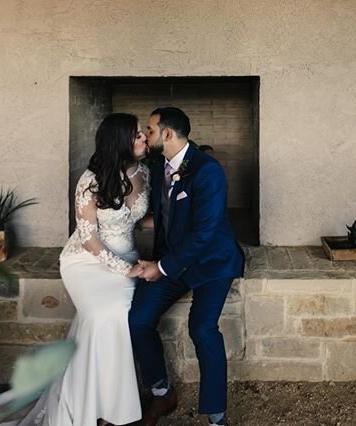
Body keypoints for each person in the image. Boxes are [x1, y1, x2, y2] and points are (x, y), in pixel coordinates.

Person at [17, 112, 150, 426]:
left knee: (112, 318)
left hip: (127, 256)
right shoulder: (90, 181)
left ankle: (108, 406)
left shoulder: (143, 171)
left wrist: (180, 223)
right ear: (121, 142)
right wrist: (125, 270)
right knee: (106, 315)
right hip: (86, 264)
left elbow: (137, 218)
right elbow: (90, 239)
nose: (144, 137)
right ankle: (91, 410)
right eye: (137, 134)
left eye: (143, 132)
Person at [130, 107, 245, 426]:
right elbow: (169, 211)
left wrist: (161, 267)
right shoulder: (157, 165)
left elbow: (205, 233)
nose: (146, 135)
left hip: (211, 260)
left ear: (167, 134)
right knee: (138, 318)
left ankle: (217, 416)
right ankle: (161, 390)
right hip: (174, 259)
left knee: (202, 328)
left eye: (150, 130)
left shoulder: (208, 170)